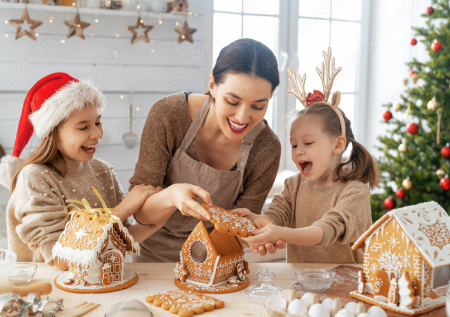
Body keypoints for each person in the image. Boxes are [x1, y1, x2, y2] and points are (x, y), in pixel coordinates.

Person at [129, 39, 283, 262]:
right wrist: (171, 196)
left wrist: (255, 231)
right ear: (212, 85)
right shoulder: (169, 115)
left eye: (258, 106)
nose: (242, 118)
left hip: (215, 260)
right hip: (152, 258)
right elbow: (140, 213)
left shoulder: (267, 147)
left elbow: (236, 229)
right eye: (232, 101)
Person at [0, 73, 159, 269]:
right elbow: (61, 260)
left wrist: (165, 209)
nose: (97, 134)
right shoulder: (34, 176)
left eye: (97, 123)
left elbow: (120, 238)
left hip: (98, 285)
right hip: (50, 292)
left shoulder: (101, 170)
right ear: (52, 133)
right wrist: (122, 210)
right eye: (83, 127)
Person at [238, 52, 378, 263]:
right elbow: (276, 214)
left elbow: (327, 230)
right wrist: (257, 220)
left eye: (308, 143)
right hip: (301, 282)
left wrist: (281, 233)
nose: (298, 152)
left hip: (346, 285)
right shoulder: (294, 185)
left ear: (337, 144)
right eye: (294, 145)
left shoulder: (355, 192)